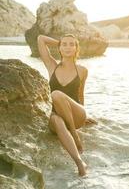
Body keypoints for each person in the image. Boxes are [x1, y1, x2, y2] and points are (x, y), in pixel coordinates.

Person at [37, 34, 91, 176]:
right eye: (64, 44)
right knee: (56, 119)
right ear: (59, 48)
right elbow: (40, 39)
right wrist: (59, 42)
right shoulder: (52, 66)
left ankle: (74, 134)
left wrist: (85, 116)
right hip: (56, 114)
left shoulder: (82, 70)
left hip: (76, 116)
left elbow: (80, 95)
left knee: (56, 94)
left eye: (72, 44)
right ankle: (80, 162)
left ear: (76, 48)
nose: (68, 47)